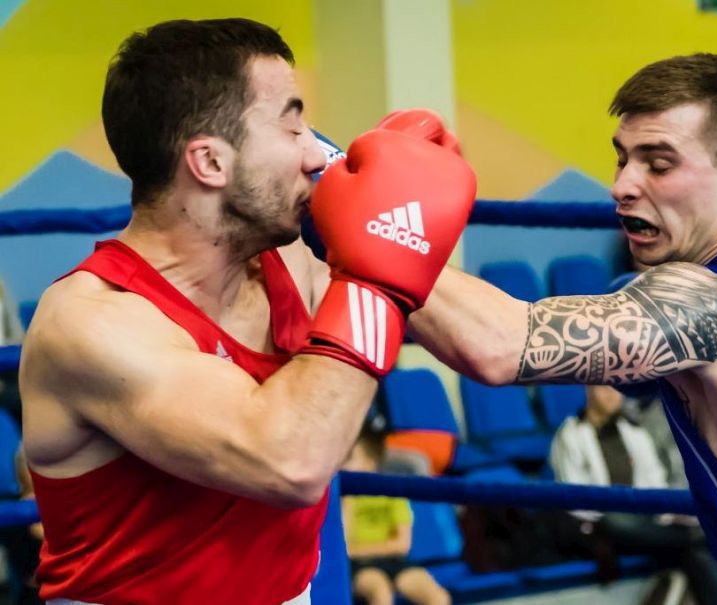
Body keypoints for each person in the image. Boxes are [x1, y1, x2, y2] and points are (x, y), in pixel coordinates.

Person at [19, 18, 475, 605]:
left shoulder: (290, 260)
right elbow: (290, 460)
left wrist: (401, 235)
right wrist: (380, 266)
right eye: (293, 126)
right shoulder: (91, 322)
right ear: (209, 163)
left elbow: (498, 345)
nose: (318, 152)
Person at [400, 53, 717, 602]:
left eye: (659, 164)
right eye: (622, 159)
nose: (622, 185)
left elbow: (500, 346)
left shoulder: (710, 306)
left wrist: (377, 227)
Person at [550, 385, 717, 605]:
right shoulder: (570, 435)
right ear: (589, 391)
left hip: (645, 524)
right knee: (615, 521)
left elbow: (655, 482)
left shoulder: (634, 431)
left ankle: (694, 539)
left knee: (695, 554)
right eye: (605, 389)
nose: (612, 396)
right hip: (602, 524)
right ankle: (697, 536)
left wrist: (663, 515)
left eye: (616, 390)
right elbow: (574, 497)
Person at [342, 423, 451, 605]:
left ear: (371, 462)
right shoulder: (340, 500)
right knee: (380, 592)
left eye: (349, 458)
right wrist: (347, 501)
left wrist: (357, 550)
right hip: (358, 567)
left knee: (438, 598)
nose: (342, 465)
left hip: (396, 563)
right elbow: (342, 545)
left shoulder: (392, 493)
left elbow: (401, 545)